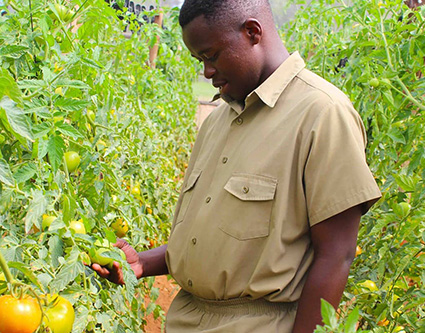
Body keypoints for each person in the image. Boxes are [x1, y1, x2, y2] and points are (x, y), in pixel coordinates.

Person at [93, 0, 382, 331]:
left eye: (211, 56)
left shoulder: (322, 114)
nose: (207, 72)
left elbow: (336, 255)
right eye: (200, 60)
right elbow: (210, 239)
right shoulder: (218, 121)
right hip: (185, 319)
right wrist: (142, 263)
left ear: (252, 32)